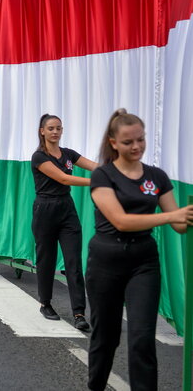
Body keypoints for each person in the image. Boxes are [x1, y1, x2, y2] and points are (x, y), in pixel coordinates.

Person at [86, 109, 193, 391]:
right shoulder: (102, 176)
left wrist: (185, 216)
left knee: (142, 338)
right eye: (128, 142)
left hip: (143, 262)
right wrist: (171, 216)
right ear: (113, 143)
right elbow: (121, 221)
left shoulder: (157, 176)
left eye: (141, 140)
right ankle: (95, 385)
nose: (136, 147)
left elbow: (179, 224)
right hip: (105, 261)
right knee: (106, 337)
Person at [31, 114, 97, 331]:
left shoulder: (68, 154)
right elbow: (64, 179)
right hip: (45, 210)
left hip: (66, 209)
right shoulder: (39, 157)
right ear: (42, 131)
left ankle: (79, 313)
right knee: (46, 260)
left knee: (73, 262)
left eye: (58, 128)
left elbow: (94, 166)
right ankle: (45, 303)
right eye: (50, 128)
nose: (55, 132)